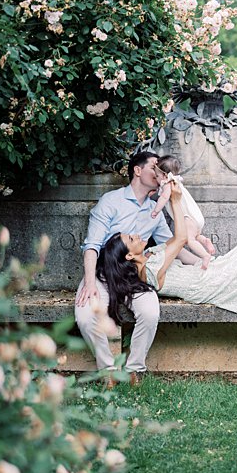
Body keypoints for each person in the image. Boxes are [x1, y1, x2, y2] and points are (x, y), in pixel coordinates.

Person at [74, 151, 199, 385]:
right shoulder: (111, 201)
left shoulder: (155, 210)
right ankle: (107, 372)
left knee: (150, 313)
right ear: (137, 170)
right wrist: (90, 281)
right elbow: (91, 246)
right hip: (103, 273)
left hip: (135, 275)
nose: (161, 172)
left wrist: (203, 263)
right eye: (155, 167)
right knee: (84, 316)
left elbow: (173, 245)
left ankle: (134, 370)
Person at [150, 154, 216, 285]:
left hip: (187, 217)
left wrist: (156, 210)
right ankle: (204, 240)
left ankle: (205, 256)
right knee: (195, 235)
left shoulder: (168, 185)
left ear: (164, 176)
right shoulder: (174, 182)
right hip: (194, 217)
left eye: (156, 176)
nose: (156, 179)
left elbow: (163, 198)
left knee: (189, 240)